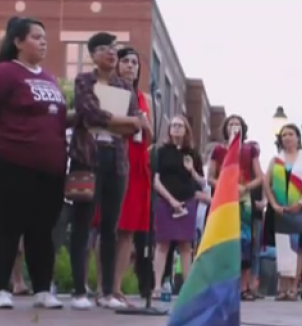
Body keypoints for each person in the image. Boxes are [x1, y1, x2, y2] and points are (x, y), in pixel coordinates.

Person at [0, 17, 67, 309]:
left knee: (42, 229)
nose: (43, 42)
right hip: (8, 163)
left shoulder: (48, 78)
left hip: (49, 168)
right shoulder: (3, 73)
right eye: (36, 37)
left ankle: (42, 290)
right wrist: (2, 134)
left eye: (44, 37)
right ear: (18, 41)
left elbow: (53, 118)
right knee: (7, 226)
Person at [71, 31, 142, 309]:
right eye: (104, 48)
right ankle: (79, 290)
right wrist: (120, 121)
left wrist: (114, 121)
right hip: (87, 158)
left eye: (113, 48)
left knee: (110, 227)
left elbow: (135, 124)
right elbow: (88, 113)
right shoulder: (83, 81)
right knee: (82, 224)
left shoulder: (125, 87)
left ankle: (108, 292)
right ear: (92, 55)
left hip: (117, 160)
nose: (111, 52)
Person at [111, 47, 152, 305]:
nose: (130, 66)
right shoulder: (112, 92)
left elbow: (150, 132)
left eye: (134, 62)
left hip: (138, 165)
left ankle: (116, 287)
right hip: (114, 159)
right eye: (125, 61)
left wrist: (143, 122)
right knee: (108, 227)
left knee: (128, 230)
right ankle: (104, 286)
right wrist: (133, 122)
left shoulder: (141, 97)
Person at [208, 115, 263, 301]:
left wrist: (245, 187)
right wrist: (225, 185)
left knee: (245, 243)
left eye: (237, 123)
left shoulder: (250, 150)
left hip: (244, 199)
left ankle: (244, 287)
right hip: (224, 199)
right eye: (231, 123)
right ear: (225, 128)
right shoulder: (218, 150)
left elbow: (260, 177)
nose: (234, 126)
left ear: (243, 128)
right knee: (223, 241)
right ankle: (224, 286)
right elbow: (210, 177)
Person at [262, 124, 302, 301]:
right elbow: (267, 183)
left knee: (297, 247)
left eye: (290, 134)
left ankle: (294, 286)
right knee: (283, 246)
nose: (287, 137)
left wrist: (301, 202)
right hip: (280, 208)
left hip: (300, 207)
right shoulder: (276, 159)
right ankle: (283, 286)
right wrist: (273, 203)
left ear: (298, 138)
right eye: (284, 135)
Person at [151, 116, 205, 298]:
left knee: (185, 245)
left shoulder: (193, 154)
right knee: (162, 244)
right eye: (173, 125)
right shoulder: (161, 152)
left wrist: (191, 170)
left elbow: (202, 183)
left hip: (187, 201)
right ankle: (157, 285)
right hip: (166, 201)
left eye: (180, 126)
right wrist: (171, 201)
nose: (176, 128)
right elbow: (155, 181)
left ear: (186, 130)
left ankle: (187, 287)